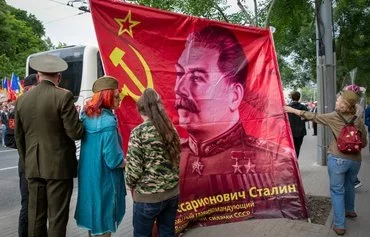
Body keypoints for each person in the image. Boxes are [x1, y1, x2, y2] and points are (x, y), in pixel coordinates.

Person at [174, 25, 305, 227]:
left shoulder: (274, 160)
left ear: (234, 95)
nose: (180, 88)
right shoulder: (173, 156)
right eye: (179, 74)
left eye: (197, 77)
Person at [15, 54, 84, 237]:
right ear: (58, 77)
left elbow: (19, 137)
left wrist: (28, 159)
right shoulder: (63, 96)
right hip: (58, 168)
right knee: (57, 219)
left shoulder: (22, 100)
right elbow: (75, 132)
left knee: (35, 218)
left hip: (32, 166)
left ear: (38, 76)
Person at [284, 90, 368, 236]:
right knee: (349, 185)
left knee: (337, 191)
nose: (336, 102)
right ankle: (350, 210)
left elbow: (312, 116)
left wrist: (291, 110)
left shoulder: (334, 116)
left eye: (338, 100)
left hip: (337, 159)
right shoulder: (358, 120)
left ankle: (340, 225)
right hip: (355, 160)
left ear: (344, 104)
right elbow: (364, 143)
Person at [75, 76, 126, 237]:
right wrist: (129, 162)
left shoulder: (86, 116)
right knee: (104, 221)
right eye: (116, 96)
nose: (119, 100)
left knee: (94, 218)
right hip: (105, 178)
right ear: (107, 97)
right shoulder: (108, 122)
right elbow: (113, 160)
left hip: (88, 175)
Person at [125, 88, 180, 237]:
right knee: (167, 232)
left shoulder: (138, 133)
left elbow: (134, 170)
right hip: (171, 194)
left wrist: (130, 183)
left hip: (147, 197)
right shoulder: (171, 129)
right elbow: (177, 159)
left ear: (140, 110)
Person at [5, 74, 38, 237]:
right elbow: (9, 139)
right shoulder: (18, 107)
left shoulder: (40, 105)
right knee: (27, 204)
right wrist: (28, 146)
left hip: (42, 161)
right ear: (27, 88)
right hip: (26, 162)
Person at [287, 91, 308, 158]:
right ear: (299, 98)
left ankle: (291, 164)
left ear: (291, 97)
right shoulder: (303, 107)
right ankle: (296, 162)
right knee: (297, 148)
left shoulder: (287, 107)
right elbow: (307, 118)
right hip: (300, 132)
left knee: (290, 149)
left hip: (290, 132)